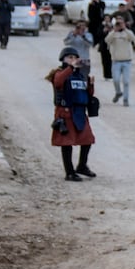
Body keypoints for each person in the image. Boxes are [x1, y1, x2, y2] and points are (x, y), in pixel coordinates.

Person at [48, 47, 96, 182]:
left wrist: (91, 85)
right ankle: (69, 172)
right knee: (66, 143)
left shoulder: (80, 75)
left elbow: (87, 94)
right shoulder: (59, 73)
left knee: (87, 139)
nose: (73, 60)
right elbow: (58, 82)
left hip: (80, 112)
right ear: (63, 59)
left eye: (75, 58)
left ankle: (82, 166)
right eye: (69, 57)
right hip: (66, 112)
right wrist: (70, 68)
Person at [105, 16, 135, 106]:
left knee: (126, 81)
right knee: (116, 79)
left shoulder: (128, 33)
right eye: (118, 23)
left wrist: (125, 28)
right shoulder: (113, 33)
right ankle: (118, 92)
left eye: (121, 23)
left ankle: (126, 99)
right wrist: (114, 30)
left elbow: (133, 39)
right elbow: (107, 40)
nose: (119, 25)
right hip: (116, 61)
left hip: (127, 61)